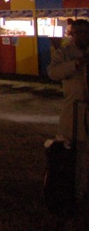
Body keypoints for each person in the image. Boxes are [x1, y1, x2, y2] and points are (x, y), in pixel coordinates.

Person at [48, 19, 89, 205]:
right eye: (77, 32)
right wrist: (75, 65)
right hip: (74, 109)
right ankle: (75, 192)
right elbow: (53, 72)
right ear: (71, 35)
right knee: (73, 151)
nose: (82, 36)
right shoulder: (64, 53)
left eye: (85, 32)